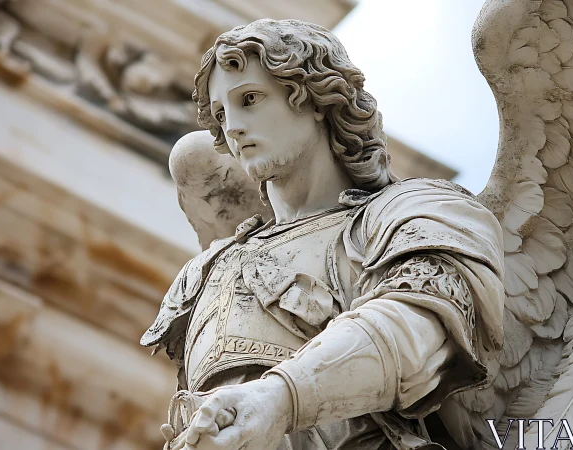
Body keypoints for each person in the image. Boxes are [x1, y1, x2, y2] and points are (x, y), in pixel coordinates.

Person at [141, 19, 504, 450]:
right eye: (221, 114)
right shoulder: (212, 266)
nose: (232, 128)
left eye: (251, 99)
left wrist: (279, 399)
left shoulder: (413, 213)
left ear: (314, 98)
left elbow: (417, 332)